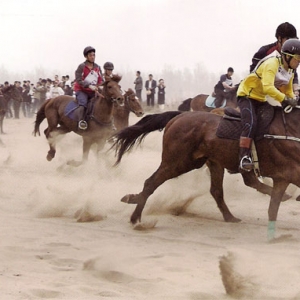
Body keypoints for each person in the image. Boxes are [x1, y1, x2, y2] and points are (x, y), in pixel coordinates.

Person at [237, 38, 300, 172]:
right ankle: (244, 157)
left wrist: (293, 99)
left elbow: (287, 90)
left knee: (272, 122)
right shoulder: (272, 64)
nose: (299, 61)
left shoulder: (290, 71)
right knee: (251, 123)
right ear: (287, 56)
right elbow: (268, 88)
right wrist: (285, 99)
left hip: (260, 99)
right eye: (297, 58)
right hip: (246, 96)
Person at [250, 22, 298, 90]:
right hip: (263, 89)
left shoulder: (292, 55)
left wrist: (296, 87)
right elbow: (252, 73)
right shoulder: (264, 51)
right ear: (279, 38)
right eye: (288, 39)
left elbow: (294, 75)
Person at [73, 46, 103, 130]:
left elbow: (101, 79)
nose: (93, 57)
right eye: (90, 55)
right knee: (83, 103)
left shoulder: (98, 67)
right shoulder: (81, 67)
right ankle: (81, 121)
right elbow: (78, 80)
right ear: (86, 56)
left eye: (94, 55)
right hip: (81, 90)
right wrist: (89, 86)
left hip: (93, 91)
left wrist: (99, 86)